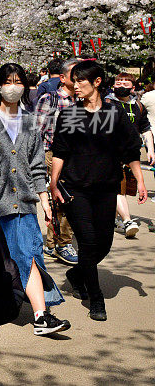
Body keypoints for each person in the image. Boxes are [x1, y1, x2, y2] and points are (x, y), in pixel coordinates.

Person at [0, 63, 69, 336]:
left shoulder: (30, 120)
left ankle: (41, 315)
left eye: (18, 81)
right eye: (8, 81)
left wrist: (44, 199)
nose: (13, 86)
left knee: (28, 252)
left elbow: (35, 165)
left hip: (23, 200)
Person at [50, 60, 147, 321]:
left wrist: (140, 180)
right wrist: (53, 183)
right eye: (73, 81)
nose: (75, 86)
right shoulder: (70, 114)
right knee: (89, 242)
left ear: (96, 82)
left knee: (103, 243)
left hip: (106, 187)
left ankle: (76, 274)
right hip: (75, 187)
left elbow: (130, 150)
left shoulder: (115, 113)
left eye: (81, 81)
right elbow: (60, 151)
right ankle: (96, 297)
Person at [34, 58, 81, 266]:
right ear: (62, 78)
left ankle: (56, 243)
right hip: (52, 153)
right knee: (59, 198)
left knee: (70, 198)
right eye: (75, 73)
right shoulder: (50, 99)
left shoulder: (82, 101)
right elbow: (36, 131)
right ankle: (60, 243)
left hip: (76, 155)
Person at [106, 72, 155, 238]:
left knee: (124, 189)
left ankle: (113, 220)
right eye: (118, 82)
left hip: (131, 154)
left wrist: (150, 149)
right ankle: (127, 220)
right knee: (118, 189)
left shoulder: (138, 106)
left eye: (125, 84)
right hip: (111, 154)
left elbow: (145, 129)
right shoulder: (106, 103)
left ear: (133, 88)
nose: (120, 86)